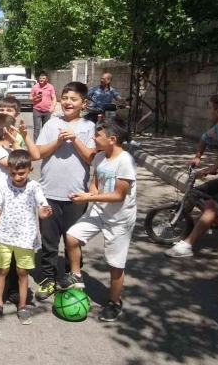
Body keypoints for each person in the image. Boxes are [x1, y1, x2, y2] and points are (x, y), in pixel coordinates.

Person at [58, 118, 137, 322]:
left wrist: (89, 197)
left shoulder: (125, 161)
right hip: (99, 211)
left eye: (97, 135)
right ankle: (76, 274)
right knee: (72, 237)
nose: (93, 138)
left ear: (112, 139)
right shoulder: (101, 156)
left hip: (119, 219)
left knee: (115, 264)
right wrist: (88, 195)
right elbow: (96, 182)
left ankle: (114, 302)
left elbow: (119, 195)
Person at [34, 82, 97, 302]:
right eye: (65, 98)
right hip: (49, 193)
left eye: (74, 99)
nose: (68, 102)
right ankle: (49, 279)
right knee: (49, 242)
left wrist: (75, 139)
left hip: (76, 195)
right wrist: (58, 141)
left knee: (74, 240)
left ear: (84, 103)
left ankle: (74, 277)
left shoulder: (89, 127)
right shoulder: (52, 124)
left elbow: (92, 158)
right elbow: (38, 153)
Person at [0, 150, 52, 324]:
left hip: (26, 237)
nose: (17, 177)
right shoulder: (3, 185)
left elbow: (41, 205)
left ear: (30, 169)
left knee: (22, 272)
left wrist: (44, 212)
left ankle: (23, 306)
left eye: (21, 173)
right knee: (2, 270)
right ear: (9, 170)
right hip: (4, 236)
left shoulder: (34, 187)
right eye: (13, 172)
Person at [167, 93, 218, 257]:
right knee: (193, 194)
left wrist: (209, 169)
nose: (210, 112)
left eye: (211, 109)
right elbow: (204, 139)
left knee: (211, 206)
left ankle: (187, 246)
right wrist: (198, 156)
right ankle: (174, 224)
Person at [30, 72, 56, 141]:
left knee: (46, 128)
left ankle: (45, 142)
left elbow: (54, 98)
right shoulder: (35, 87)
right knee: (37, 128)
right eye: (40, 78)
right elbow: (30, 98)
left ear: (47, 80)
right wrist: (36, 97)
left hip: (47, 111)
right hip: (37, 110)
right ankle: (36, 143)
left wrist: (53, 107)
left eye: (43, 78)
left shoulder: (50, 87)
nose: (41, 79)